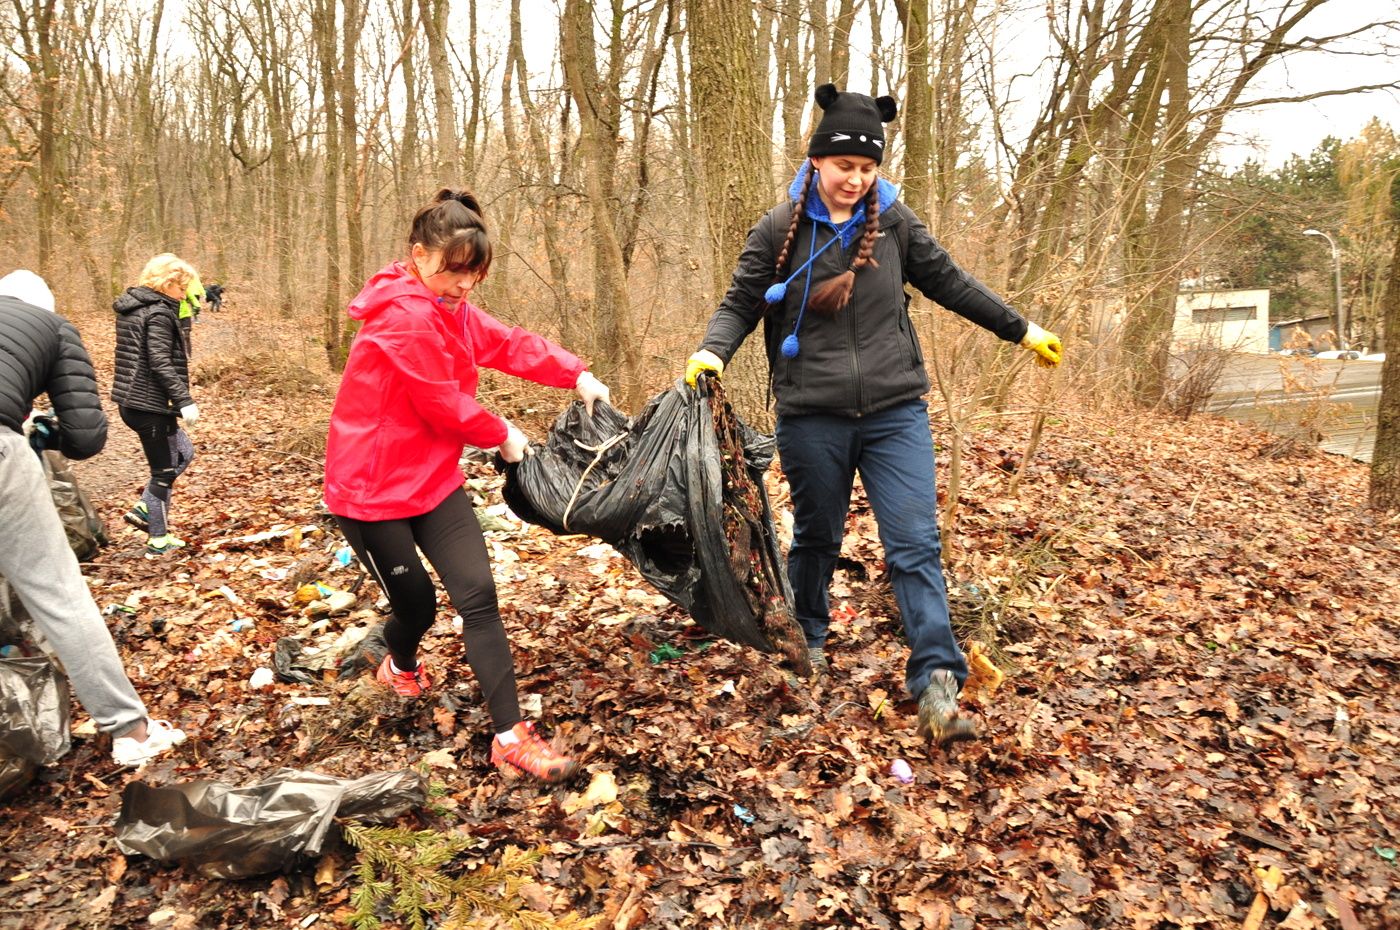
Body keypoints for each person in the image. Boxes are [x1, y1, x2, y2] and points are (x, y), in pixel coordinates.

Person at [684, 85, 1064, 745]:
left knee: (915, 545)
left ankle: (938, 685)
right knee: (817, 539)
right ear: (816, 161)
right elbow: (742, 300)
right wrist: (711, 352)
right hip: (812, 414)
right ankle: (808, 638)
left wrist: (1021, 329)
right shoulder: (778, 229)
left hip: (895, 413)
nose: (856, 179)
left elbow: (951, 282)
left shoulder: (896, 224)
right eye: (844, 166)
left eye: (867, 168)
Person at [323, 188, 612, 783]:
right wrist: (502, 433)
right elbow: (439, 402)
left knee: (478, 594)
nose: (463, 285)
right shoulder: (402, 316)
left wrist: (576, 373)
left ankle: (510, 738)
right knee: (417, 607)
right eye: (453, 271)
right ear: (419, 255)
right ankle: (399, 663)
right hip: (371, 493)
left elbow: (506, 343)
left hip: (432, 480)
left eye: (473, 273)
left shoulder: (447, 308)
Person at [0, 270, 186, 768]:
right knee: (57, 593)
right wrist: (44, 432)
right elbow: (86, 437)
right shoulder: (53, 327)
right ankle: (131, 731)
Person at [111, 254, 200, 556]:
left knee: (184, 453)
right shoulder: (159, 313)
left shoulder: (134, 306)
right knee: (163, 472)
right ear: (167, 282)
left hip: (135, 402)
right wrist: (184, 401)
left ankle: (145, 508)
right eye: (181, 287)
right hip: (149, 405)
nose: (184, 295)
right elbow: (160, 362)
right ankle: (158, 540)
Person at [178, 269, 204, 356]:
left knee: (187, 336)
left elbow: (192, 298)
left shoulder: (185, 289)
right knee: (178, 336)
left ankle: (189, 355)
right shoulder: (171, 289)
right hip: (175, 315)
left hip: (186, 315)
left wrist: (197, 305)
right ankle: (181, 354)